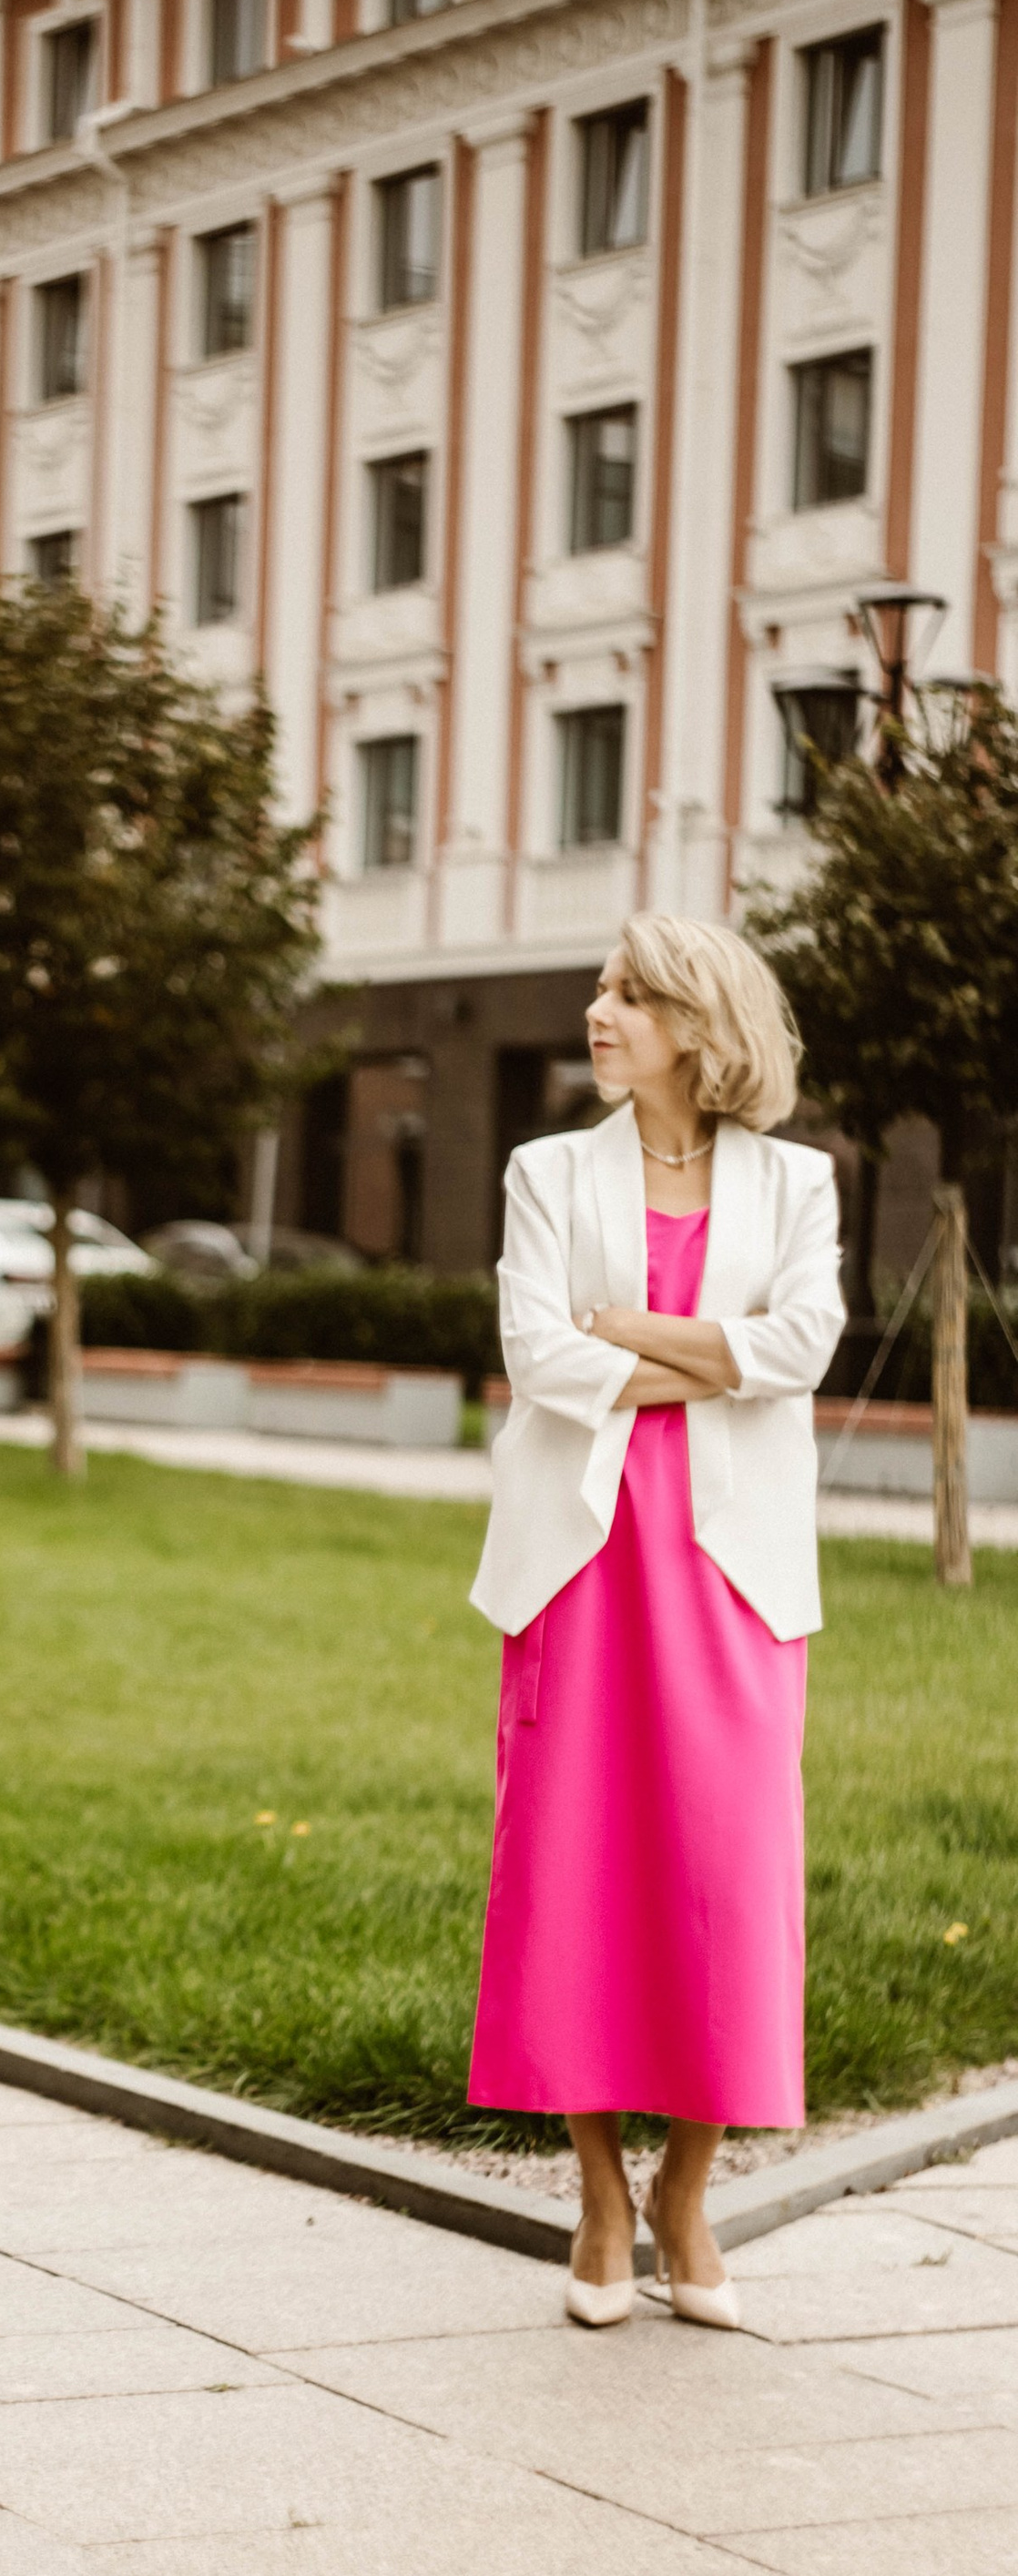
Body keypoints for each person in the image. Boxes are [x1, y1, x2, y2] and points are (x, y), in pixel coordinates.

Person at [467, 914, 845, 2330]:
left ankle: (689, 2189)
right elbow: (536, 1355)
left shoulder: (796, 1184)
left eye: (630, 993)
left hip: (735, 1575)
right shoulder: (546, 1171)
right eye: (604, 988)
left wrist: (626, 1331)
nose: (597, 1009)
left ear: (699, 1023)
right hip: (581, 1564)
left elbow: (804, 1347)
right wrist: (711, 1358)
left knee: (725, 1876)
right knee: (573, 1871)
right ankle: (602, 2198)